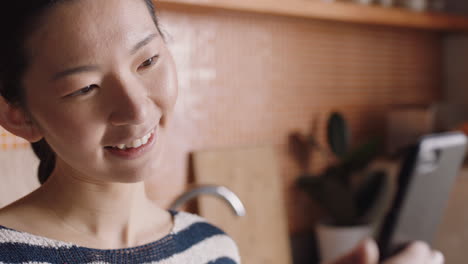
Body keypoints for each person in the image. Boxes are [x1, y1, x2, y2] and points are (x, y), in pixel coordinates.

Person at [0, 0, 444, 263]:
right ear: (18, 114)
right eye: (86, 87)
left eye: (148, 61)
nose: (136, 108)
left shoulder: (210, 247)